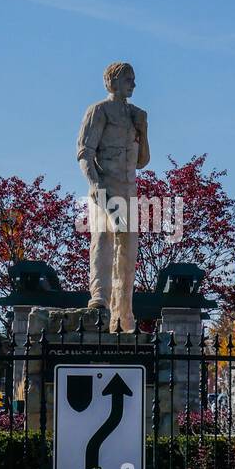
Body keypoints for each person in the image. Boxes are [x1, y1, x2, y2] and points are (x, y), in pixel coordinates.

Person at [75, 61, 150, 333]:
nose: (133, 84)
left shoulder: (135, 114)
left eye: (133, 79)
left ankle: (123, 314)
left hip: (129, 189)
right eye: (129, 79)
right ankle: (100, 299)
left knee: (128, 252)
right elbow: (84, 152)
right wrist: (94, 184)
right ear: (113, 82)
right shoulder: (99, 110)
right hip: (105, 186)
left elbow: (143, 161)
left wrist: (143, 128)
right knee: (104, 241)